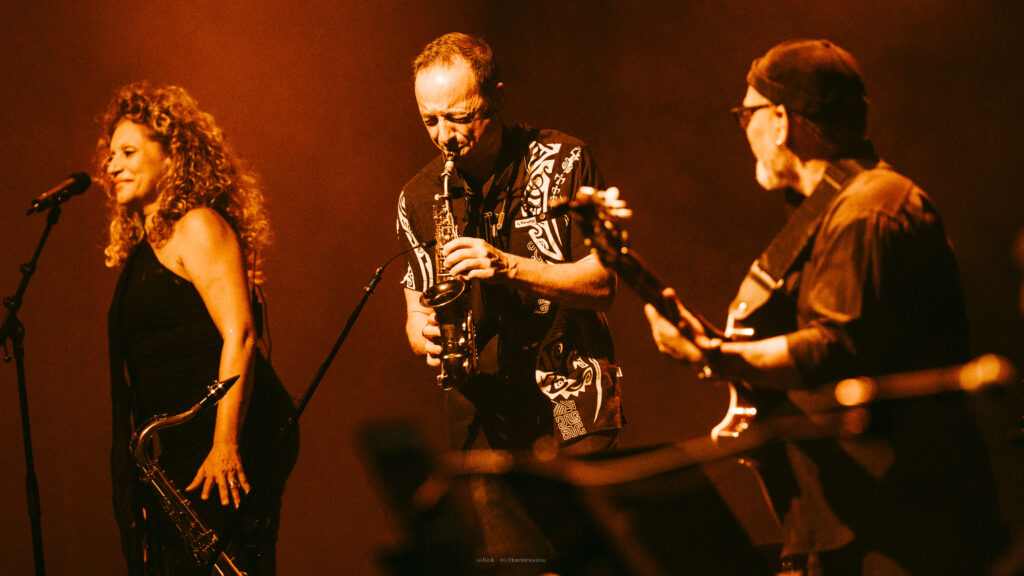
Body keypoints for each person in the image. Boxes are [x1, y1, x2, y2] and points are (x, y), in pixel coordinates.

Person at [645, 40, 1006, 575]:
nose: (743, 129)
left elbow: (831, 348)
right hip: (852, 527)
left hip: (896, 535)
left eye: (747, 114)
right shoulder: (835, 208)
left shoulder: (866, 210)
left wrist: (713, 356)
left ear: (782, 122)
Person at [396, 32, 624, 565]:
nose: (444, 136)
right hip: (484, 416)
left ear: (495, 98)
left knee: (590, 562)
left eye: (459, 117)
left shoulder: (566, 160)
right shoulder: (417, 196)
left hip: (572, 401)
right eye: (430, 120)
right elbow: (415, 306)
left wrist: (506, 266)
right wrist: (421, 334)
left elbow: (605, 282)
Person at [100, 82, 298, 575]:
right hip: (185, 438)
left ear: (172, 156)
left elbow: (242, 334)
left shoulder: (197, 226)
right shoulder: (147, 247)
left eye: (128, 152)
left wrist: (224, 443)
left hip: (229, 431)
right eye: (110, 155)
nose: (112, 166)